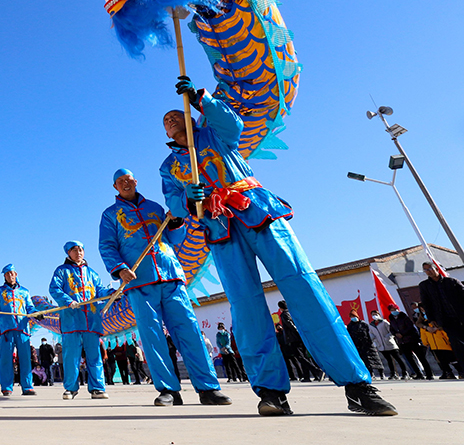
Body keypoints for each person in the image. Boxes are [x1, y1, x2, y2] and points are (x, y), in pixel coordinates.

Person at [159, 77, 396, 417]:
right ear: (165, 134)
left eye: (174, 115)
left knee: (304, 287)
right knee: (245, 305)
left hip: (255, 208)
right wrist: (186, 199)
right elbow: (174, 202)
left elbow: (234, 123)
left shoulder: (213, 133)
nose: (170, 121)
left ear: (189, 116)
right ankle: (271, 392)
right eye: (165, 122)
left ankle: (357, 386)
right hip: (220, 227)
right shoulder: (169, 167)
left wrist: (201, 98)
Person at [99, 168, 228, 407]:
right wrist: (119, 269)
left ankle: (208, 388)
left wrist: (177, 222)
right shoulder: (110, 215)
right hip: (139, 280)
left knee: (189, 330)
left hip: (170, 275)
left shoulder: (156, 208)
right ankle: (169, 390)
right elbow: (107, 245)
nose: (125, 184)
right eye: (120, 182)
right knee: (152, 335)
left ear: (136, 181)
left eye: (128, 180)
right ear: (115, 187)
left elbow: (174, 239)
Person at [49, 240, 113, 401]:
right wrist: (68, 301)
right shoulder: (62, 271)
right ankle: (71, 388)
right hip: (71, 321)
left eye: (81, 250)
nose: (79, 252)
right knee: (71, 357)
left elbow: (100, 291)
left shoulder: (92, 273)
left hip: (91, 320)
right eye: (74, 250)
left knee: (94, 356)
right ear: (68, 253)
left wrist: (111, 293)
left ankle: (97, 388)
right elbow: (54, 289)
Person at [0, 264, 38, 396]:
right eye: (7, 274)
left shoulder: (24, 291)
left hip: (22, 328)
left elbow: (30, 308)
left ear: (16, 274)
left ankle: (27, 386)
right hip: (7, 329)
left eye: (12, 273)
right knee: (6, 359)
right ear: (4, 276)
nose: (10, 276)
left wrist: (36, 313)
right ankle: (7, 387)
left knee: (25, 358)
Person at [419, 261, 464, 369]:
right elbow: (426, 303)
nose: (428, 272)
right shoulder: (424, 286)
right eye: (425, 270)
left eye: (430, 269)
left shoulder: (451, 282)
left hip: (461, 317)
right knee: (457, 344)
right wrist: (431, 319)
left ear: (436, 269)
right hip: (446, 320)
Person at [277, 300, 322, 382]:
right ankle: (307, 377)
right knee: (304, 357)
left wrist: (298, 334)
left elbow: (290, 325)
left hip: (294, 339)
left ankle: (317, 371)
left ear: (280, 308)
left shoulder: (284, 314)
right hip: (300, 338)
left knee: (300, 357)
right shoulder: (292, 312)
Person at [387, 304, 431, 379]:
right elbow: (392, 329)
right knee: (410, 359)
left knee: (421, 357)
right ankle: (419, 374)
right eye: (391, 310)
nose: (393, 311)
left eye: (394, 309)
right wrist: (396, 334)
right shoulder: (392, 319)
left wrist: (403, 334)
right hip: (402, 342)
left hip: (411, 340)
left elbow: (410, 327)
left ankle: (429, 374)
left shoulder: (404, 317)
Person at [370, 311, 408, 379]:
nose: (374, 316)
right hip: (381, 346)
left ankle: (404, 372)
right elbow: (371, 333)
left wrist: (387, 337)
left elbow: (391, 331)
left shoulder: (384, 322)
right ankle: (393, 374)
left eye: (376, 314)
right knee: (389, 361)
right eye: (373, 315)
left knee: (398, 359)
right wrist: (373, 338)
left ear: (379, 315)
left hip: (390, 344)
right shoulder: (371, 325)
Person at [347, 314, 383, 378]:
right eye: (352, 317)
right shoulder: (350, 326)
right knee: (364, 361)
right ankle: (370, 373)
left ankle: (381, 373)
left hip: (368, 345)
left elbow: (369, 333)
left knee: (375, 360)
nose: (353, 318)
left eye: (354, 316)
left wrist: (369, 341)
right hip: (358, 346)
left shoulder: (363, 324)